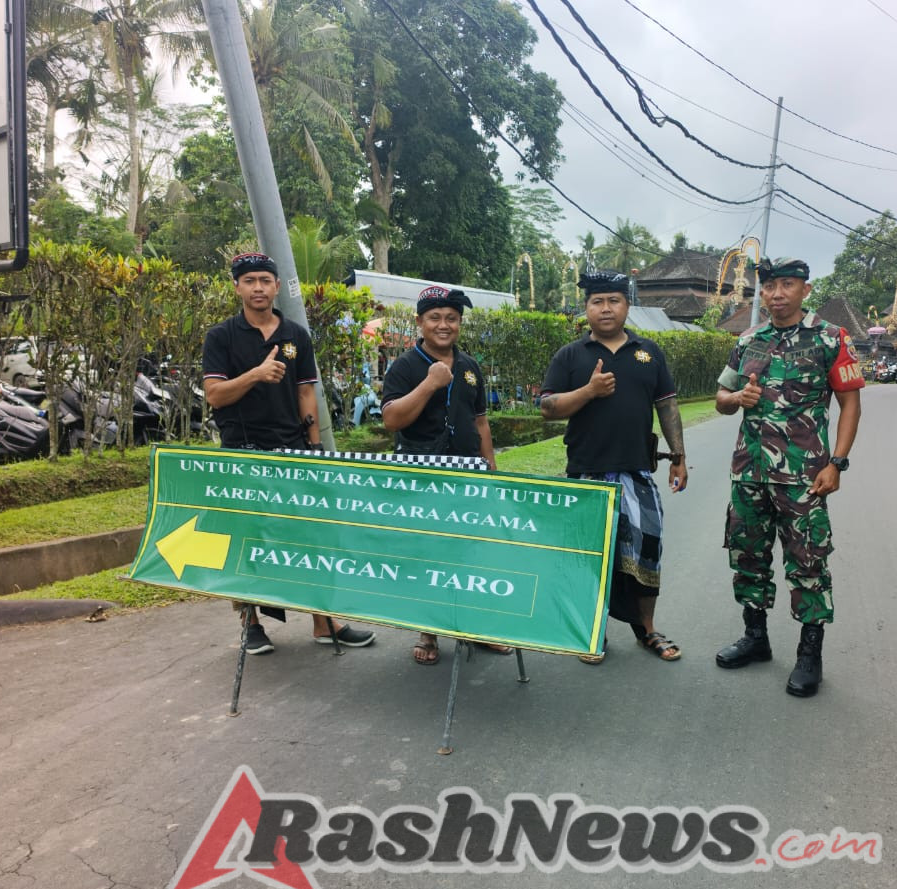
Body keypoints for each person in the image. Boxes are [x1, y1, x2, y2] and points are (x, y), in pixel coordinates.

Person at [202, 252, 376, 655]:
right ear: (237, 287)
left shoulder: (296, 334)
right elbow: (215, 394)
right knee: (246, 539)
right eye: (250, 281)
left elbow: (304, 392)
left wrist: (313, 448)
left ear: (277, 285)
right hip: (243, 453)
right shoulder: (221, 337)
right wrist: (256, 374)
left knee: (308, 537)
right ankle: (251, 623)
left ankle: (323, 620)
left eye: (265, 279)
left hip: (292, 451)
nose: (258, 287)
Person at [713, 257, 863, 697]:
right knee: (748, 556)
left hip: (805, 477)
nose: (777, 293)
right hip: (749, 472)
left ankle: (809, 655)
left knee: (809, 563)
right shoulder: (748, 340)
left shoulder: (830, 338)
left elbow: (850, 405)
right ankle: (755, 638)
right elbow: (720, 398)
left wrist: (837, 462)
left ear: (805, 289)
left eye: (787, 285)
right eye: (770, 286)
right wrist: (737, 396)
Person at [539, 269, 688, 664]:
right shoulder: (571, 356)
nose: (605, 308)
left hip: (636, 471)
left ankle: (647, 631)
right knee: (589, 557)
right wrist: (588, 391)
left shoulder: (649, 352)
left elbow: (667, 406)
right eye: (597, 301)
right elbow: (547, 409)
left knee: (647, 553)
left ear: (626, 305)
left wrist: (679, 458)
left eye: (614, 301)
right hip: (586, 473)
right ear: (586, 308)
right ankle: (592, 631)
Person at [380, 285, 509, 665]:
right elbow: (391, 420)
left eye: (451, 318)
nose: (443, 325)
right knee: (428, 554)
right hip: (422, 476)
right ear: (419, 322)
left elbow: (481, 422)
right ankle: (429, 632)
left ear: (460, 323)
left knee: (471, 553)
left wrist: (491, 470)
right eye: (434, 318)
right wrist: (431, 382)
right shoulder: (405, 366)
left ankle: (476, 629)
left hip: (468, 474)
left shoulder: (470, 367)